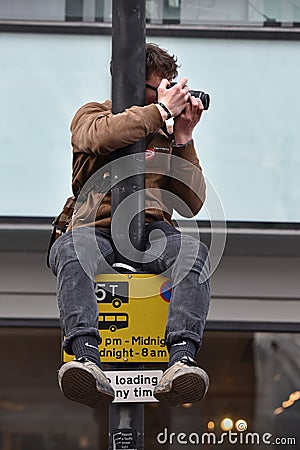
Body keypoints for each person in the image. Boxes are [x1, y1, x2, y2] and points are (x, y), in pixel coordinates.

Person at [48, 43, 210, 408]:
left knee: (194, 254)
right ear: (137, 85)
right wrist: (161, 110)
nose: (172, 93)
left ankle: (181, 359)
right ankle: (86, 357)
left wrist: (183, 139)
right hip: (96, 227)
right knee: (73, 251)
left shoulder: (164, 139)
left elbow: (192, 202)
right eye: (162, 86)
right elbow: (103, 137)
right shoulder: (93, 115)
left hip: (152, 232)